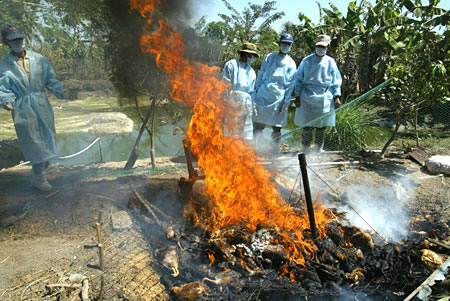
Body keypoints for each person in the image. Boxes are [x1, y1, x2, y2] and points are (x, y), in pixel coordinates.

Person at [0, 24, 75, 190]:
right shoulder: (4, 65)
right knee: (34, 143)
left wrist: (63, 93)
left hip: (41, 104)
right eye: (13, 40)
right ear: (6, 41)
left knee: (48, 140)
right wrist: (6, 100)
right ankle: (39, 177)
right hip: (22, 107)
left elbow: (51, 80)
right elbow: (3, 88)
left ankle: (36, 174)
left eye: (20, 38)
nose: (18, 42)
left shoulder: (40, 59)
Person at [293, 34, 342, 153]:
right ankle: (305, 148)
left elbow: (336, 80)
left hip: (325, 96)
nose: (321, 49)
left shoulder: (330, 62)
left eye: (323, 47)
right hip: (307, 96)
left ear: (327, 48)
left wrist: (337, 96)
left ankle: (319, 148)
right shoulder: (307, 60)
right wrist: (297, 96)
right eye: (319, 46)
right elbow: (298, 79)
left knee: (321, 125)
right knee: (307, 125)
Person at [252, 32, 297, 151]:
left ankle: (274, 150)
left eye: (288, 44)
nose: (285, 46)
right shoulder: (269, 57)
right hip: (264, 92)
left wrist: (286, 101)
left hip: (279, 95)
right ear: (279, 43)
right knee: (258, 123)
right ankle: (256, 149)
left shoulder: (291, 63)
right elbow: (261, 74)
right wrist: (256, 93)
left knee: (277, 125)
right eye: (283, 43)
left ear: (291, 45)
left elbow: (291, 84)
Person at [222, 42, 259, 141]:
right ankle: (227, 150)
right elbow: (226, 83)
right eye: (252, 55)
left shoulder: (251, 71)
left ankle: (242, 152)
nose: (253, 58)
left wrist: (253, 106)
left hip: (246, 102)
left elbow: (252, 92)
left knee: (245, 132)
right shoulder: (231, 64)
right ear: (247, 54)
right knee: (230, 129)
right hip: (232, 98)